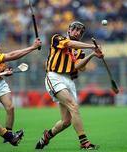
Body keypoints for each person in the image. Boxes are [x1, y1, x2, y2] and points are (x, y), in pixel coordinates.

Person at [35, 21, 104, 150]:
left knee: (66, 121)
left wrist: (93, 54)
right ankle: (84, 142)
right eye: (75, 29)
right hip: (54, 76)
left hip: (69, 80)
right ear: (69, 30)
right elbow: (69, 44)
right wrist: (92, 47)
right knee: (74, 106)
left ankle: (46, 136)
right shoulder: (57, 38)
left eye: (80, 32)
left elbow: (78, 67)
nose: (77, 33)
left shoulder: (79, 50)